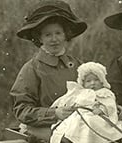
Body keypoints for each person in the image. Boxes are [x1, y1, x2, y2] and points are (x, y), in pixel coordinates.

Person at [10, 1, 87, 134]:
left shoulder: (79, 65)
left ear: (65, 35)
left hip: (80, 125)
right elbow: (22, 109)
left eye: (58, 33)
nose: (54, 39)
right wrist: (54, 113)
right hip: (45, 129)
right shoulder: (32, 69)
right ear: (39, 38)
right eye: (48, 35)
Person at [49, 62, 122, 143]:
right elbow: (68, 101)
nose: (92, 83)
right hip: (80, 115)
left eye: (96, 80)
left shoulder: (105, 93)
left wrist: (102, 109)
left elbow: (110, 105)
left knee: (90, 123)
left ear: (102, 81)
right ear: (83, 83)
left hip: (97, 116)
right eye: (88, 81)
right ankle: (69, 140)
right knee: (71, 126)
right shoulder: (81, 93)